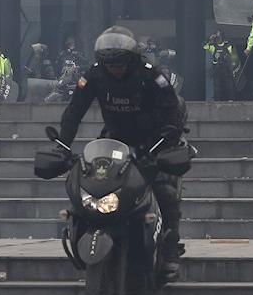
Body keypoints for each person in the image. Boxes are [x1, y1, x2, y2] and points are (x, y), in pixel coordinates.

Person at [52, 26, 188, 279]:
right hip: (115, 139)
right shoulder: (93, 75)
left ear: (132, 59)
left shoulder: (150, 74)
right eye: (109, 65)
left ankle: (170, 249)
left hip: (153, 140)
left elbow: (172, 107)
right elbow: (74, 111)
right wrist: (62, 144)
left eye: (120, 64)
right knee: (91, 183)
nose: (115, 69)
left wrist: (169, 134)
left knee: (165, 191)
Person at [204, 31, 239, 102]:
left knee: (229, 86)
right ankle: (217, 101)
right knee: (217, 87)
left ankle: (231, 100)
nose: (218, 39)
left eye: (219, 37)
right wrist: (210, 38)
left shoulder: (228, 46)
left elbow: (233, 56)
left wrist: (233, 67)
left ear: (222, 37)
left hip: (227, 70)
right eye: (217, 37)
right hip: (217, 70)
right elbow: (205, 46)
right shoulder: (213, 47)